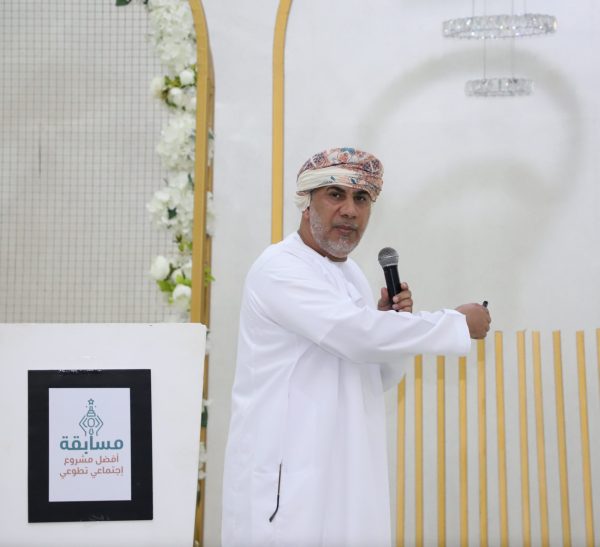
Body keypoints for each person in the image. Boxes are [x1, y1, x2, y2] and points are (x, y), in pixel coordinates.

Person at [221, 147, 491, 547]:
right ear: (306, 201)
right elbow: (356, 335)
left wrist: (390, 325)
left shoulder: (350, 275)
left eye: (362, 198)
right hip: (288, 476)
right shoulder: (279, 267)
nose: (350, 210)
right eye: (336, 194)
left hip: (347, 466)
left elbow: (372, 374)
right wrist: (455, 322)